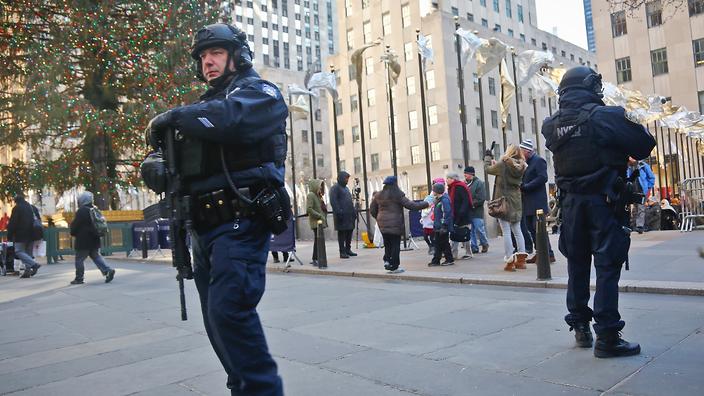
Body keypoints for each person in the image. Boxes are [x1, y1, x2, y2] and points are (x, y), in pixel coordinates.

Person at [144, 23, 286, 394]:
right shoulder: (204, 107)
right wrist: (155, 164)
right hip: (202, 228)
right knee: (216, 321)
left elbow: (235, 119)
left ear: (237, 56)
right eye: (204, 57)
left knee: (229, 313)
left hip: (239, 221)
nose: (208, 62)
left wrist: (174, 116)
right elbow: (178, 159)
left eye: (216, 53)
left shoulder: (260, 92)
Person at [542, 66, 655, 358]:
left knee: (577, 265)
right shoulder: (606, 116)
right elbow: (644, 145)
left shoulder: (551, 124)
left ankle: (580, 326)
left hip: (570, 206)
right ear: (592, 87)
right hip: (604, 202)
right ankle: (607, 335)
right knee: (607, 267)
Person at [370, 176, 429, 273]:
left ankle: (387, 260)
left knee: (387, 243)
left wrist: (379, 218)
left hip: (382, 224)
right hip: (395, 223)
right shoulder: (398, 195)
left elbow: (372, 210)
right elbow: (411, 206)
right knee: (395, 244)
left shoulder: (378, 195)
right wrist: (426, 204)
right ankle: (394, 266)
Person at [486, 145, 528, 271]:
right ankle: (521, 261)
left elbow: (488, 169)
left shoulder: (503, 164)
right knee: (517, 231)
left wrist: (488, 158)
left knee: (506, 231)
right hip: (516, 200)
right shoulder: (522, 166)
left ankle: (510, 260)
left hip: (503, 201)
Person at [518, 139, 555, 263]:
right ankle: (540, 251)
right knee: (531, 228)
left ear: (528, 151)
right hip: (528, 202)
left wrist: (526, 186)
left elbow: (542, 177)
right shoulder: (527, 163)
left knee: (539, 229)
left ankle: (548, 253)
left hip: (537, 202)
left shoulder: (538, 161)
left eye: (522, 151)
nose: (521, 154)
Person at [69, 192, 116, 284]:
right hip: (95, 238)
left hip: (83, 240)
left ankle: (79, 278)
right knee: (96, 256)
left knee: (79, 259)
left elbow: (75, 225)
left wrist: (72, 232)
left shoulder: (82, 210)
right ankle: (107, 270)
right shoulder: (94, 209)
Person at [6, 193, 42, 277]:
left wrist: (9, 235)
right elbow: (38, 219)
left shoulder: (17, 208)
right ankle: (27, 272)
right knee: (28, 253)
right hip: (33, 233)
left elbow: (13, 223)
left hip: (21, 234)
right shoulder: (32, 207)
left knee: (18, 251)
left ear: (16, 201)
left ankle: (34, 264)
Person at [328, 171, 357, 259]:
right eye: (346, 178)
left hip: (349, 215)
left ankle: (348, 249)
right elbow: (334, 202)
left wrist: (353, 212)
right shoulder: (335, 188)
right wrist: (339, 212)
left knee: (349, 232)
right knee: (342, 234)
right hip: (341, 215)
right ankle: (342, 251)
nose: (347, 180)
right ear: (341, 178)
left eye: (347, 178)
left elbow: (349, 201)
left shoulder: (346, 188)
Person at [446, 172, 473, 259]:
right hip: (454, 215)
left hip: (463, 215)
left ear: (453, 179)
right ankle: (454, 254)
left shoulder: (460, 187)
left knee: (464, 234)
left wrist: (461, 213)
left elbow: (465, 201)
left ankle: (468, 253)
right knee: (454, 235)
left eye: (448, 178)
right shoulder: (451, 188)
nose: (446, 180)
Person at [626, 157, 655, 234]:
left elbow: (651, 177)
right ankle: (634, 225)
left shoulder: (643, 165)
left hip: (642, 190)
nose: (631, 158)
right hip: (632, 191)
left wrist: (648, 187)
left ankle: (640, 226)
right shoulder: (628, 166)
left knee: (641, 208)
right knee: (635, 209)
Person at [464, 166, 489, 254]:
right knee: (471, 230)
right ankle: (474, 247)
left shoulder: (479, 183)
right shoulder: (465, 184)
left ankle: (484, 243)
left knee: (479, 228)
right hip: (468, 211)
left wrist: (470, 204)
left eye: (466, 173)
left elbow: (481, 198)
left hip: (477, 211)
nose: (465, 175)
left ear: (471, 174)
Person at [428, 183, 454, 266]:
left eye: (434, 190)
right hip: (439, 226)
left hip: (442, 226)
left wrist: (444, 225)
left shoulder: (444, 200)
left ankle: (448, 259)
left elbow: (447, 213)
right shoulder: (439, 200)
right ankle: (437, 260)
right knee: (439, 244)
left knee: (443, 243)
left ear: (437, 191)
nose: (433, 191)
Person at [306, 178, 328, 268]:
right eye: (319, 186)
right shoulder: (311, 195)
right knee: (317, 240)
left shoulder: (318, 195)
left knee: (318, 240)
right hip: (316, 221)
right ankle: (315, 258)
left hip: (319, 221)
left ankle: (317, 257)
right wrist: (319, 215)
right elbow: (309, 209)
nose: (320, 188)